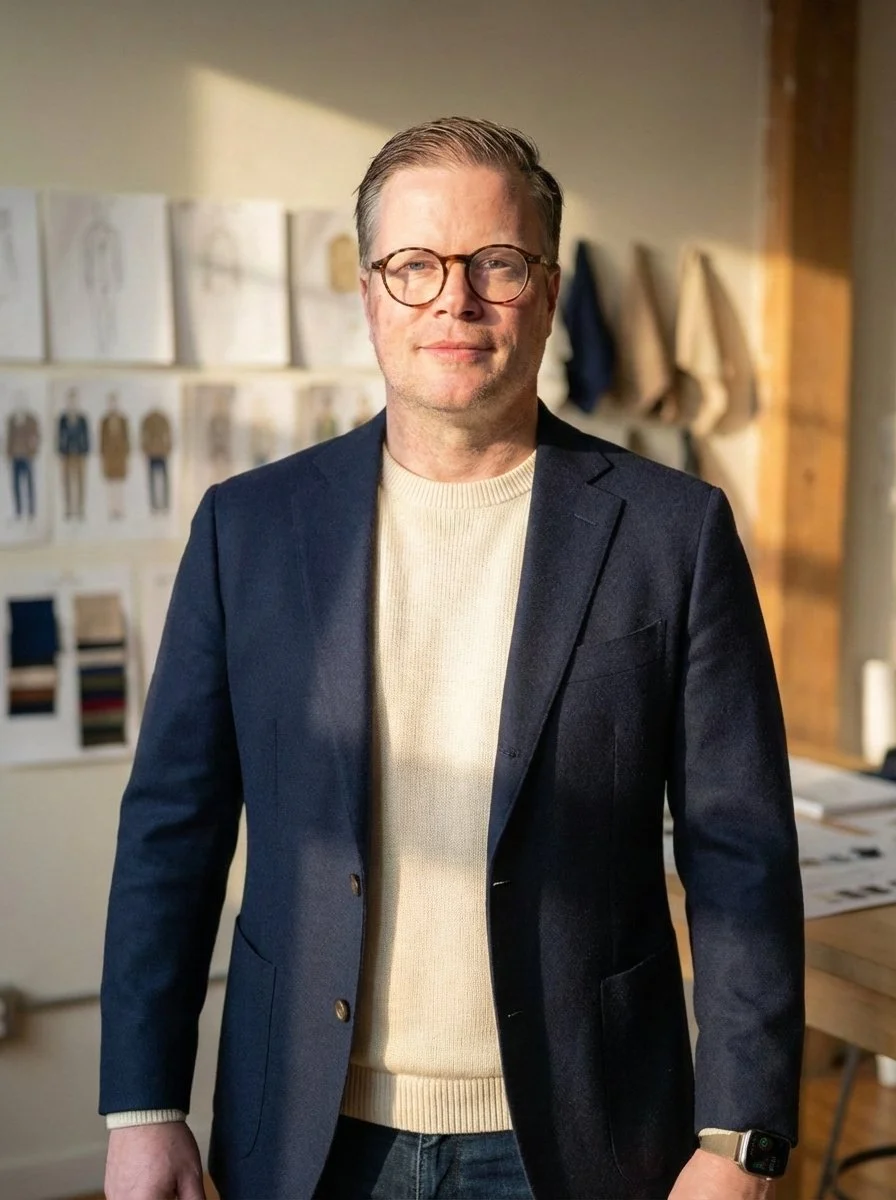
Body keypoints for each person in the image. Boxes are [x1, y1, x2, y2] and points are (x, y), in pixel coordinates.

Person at [101, 117, 804, 1200]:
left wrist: (738, 1140)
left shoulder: (675, 531)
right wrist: (143, 1106)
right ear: (370, 290)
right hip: (308, 1131)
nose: (454, 302)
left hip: (586, 1132)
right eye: (414, 266)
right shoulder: (248, 528)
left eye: (496, 264)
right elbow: (171, 831)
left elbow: (738, 852)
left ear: (549, 286)